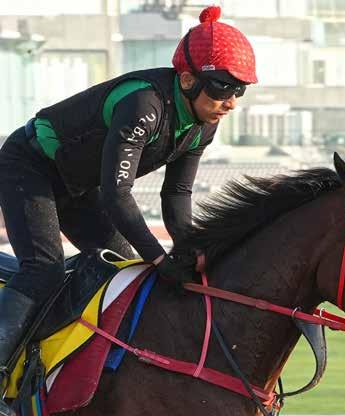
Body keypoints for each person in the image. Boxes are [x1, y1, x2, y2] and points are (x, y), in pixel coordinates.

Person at [0, 5, 257, 414]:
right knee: (43, 270)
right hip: (29, 166)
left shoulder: (204, 124)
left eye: (239, 90)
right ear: (187, 80)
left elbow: (177, 195)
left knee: (124, 272)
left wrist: (189, 250)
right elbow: (118, 195)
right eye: (222, 87)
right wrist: (159, 257)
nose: (230, 102)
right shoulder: (144, 104)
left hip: (77, 184)